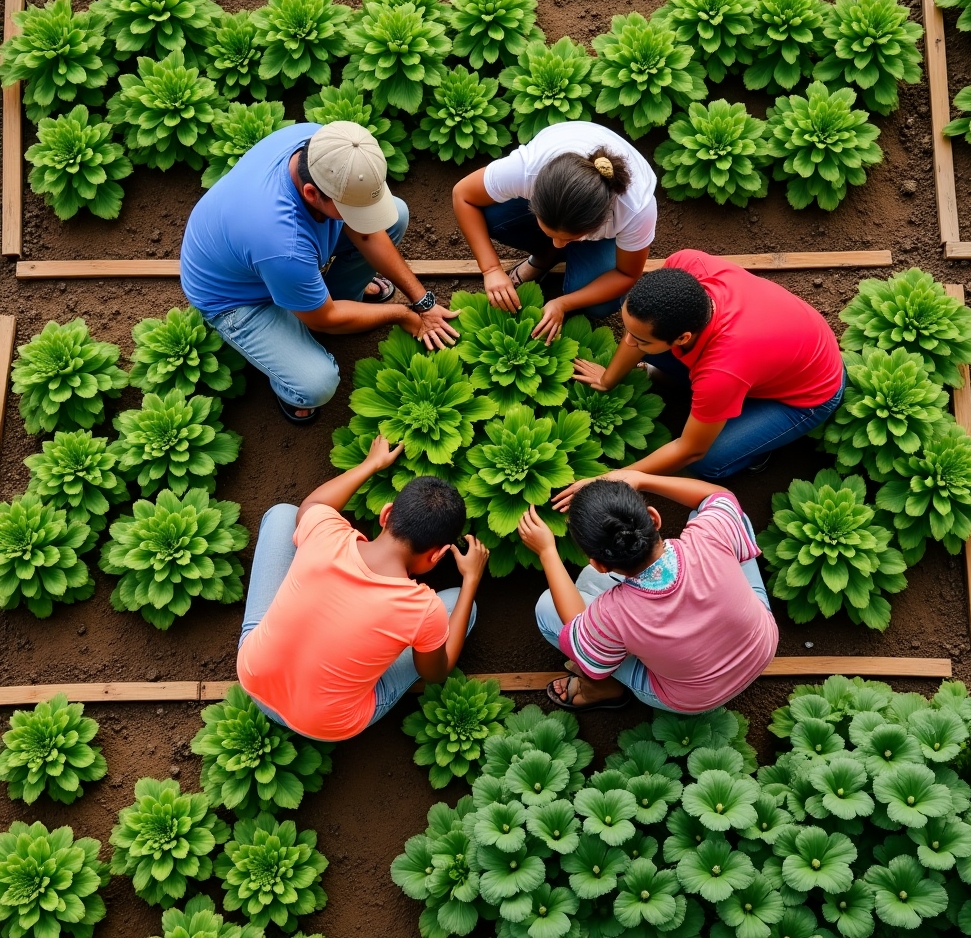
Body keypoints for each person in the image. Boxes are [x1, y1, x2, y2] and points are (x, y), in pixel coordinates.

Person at [180, 121, 460, 424]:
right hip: (238, 297)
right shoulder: (282, 243)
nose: (359, 219)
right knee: (316, 384)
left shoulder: (325, 144)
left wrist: (422, 301)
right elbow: (324, 320)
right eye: (350, 209)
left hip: (265, 255)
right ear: (312, 193)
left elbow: (367, 233)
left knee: (395, 215)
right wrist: (402, 314)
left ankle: (329, 296)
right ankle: (289, 371)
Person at [235, 436, 489, 742]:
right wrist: (471, 580)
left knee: (284, 515)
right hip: (325, 725)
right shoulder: (423, 609)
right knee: (463, 606)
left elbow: (312, 505)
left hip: (254, 678)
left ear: (385, 514)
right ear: (437, 556)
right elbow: (436, 671)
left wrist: (371, 464)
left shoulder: (326, 531)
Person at [561, 250, 846, 483]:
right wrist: (608, 378)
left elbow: (690, 450)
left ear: (683, 338)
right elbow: (637, 328)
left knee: (706, 463)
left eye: (638, 339)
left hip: (807, 395)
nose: (629, 342)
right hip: (772, 356)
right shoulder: (687, 265)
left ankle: (757, 450)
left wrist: (616, 477)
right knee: (638, 318)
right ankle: (718, 404)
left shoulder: (722, 370)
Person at [520, 472, 778, 713]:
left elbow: (578, 632)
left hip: (697, 697)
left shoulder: (613, 613)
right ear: (654, 517)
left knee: (548, 608)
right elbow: (719, 497)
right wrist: (642, 478)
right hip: (761, 648)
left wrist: (547, 552)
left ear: (599, 564)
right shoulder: (708, 536)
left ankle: (601, 690)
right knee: (726, 516)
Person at [452, 121, 658, 343]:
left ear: (599, 223)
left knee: (600, 305)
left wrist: (563, 302)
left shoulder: (635, 209)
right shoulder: (526, 171)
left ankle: (572, 252)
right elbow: (462, 195)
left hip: (602, 216)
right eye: (550, 233)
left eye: (570, 238)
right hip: (561, 194)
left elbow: (627, 274)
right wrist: (491, 269)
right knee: (492, 215)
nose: (558, 243)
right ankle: (542, 260)